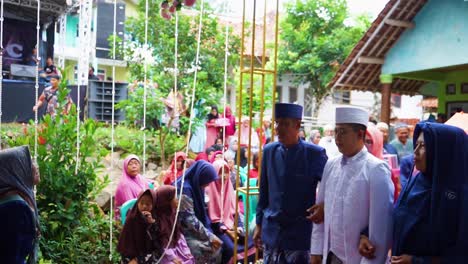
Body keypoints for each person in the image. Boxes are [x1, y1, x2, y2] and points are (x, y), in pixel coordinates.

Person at [359, 122, 468, 263]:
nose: (415, 152)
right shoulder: (417, 181)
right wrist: (366, 235)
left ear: (443, 151)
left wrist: (417, 261)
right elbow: (397, 214)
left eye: (423, 146)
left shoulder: (459, 196)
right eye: (416, 144)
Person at [310, 106, 394, 264]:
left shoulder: (376, 169)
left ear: (360, 134)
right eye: (336, 131)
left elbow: (381, 228)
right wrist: (316, 251)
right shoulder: (331, 164)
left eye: (343, 132)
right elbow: (320, 211)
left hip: (358, 258)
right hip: (331, 254)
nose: (337, 137)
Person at [254, 103, 328, 264]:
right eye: (277, 123)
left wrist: (325, 205)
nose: (279, 128)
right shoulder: (269, 151)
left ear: (297, 125)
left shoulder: (314, 154)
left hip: (299, 233)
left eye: (285, 124)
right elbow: (264, 192)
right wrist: (259, 224)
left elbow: (333, 185)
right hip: (271, 231)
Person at [206, 160, 256, 263]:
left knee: (251, 243)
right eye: (220, 172)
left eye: (226, 172)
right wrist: (228, 232)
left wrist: (239, 228)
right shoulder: (208, 190)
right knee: (231, 249)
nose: (224, 175)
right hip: (216, 230)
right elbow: (211, 220)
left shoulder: (229, 189)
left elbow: (235, 213)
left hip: (232, 226)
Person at [175, 160, 223, 263]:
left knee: (217, 244)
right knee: (210, 248)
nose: (207, 185)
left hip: (191, 228)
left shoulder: (195, 184)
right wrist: (210, 236)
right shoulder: (184, 189)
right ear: (201, 177)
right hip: (181, 231)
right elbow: (189, 220)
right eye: (207, 182)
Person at [0, 146, 40, 264]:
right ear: (15, 168)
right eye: (29, 161)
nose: (35, 165)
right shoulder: (16, 208)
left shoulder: (9, 198)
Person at [117, 189, 161, 264]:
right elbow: (126, 243)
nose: (144, 206)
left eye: (148, 204)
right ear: (137, 203)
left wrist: (151, 223)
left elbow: (156, 242)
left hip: (148, 253)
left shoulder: (155, 217)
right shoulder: (132, 218)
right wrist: (134, 259)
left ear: (153, 205)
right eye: (141, 203)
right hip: (131, 254)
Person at [154, 185, 194, 264]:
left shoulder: (172, 213)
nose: (177, 200)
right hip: (164, 252)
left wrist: (185, 250)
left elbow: (179, 235)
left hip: (176, 246)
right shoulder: (158, 220)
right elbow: (161, 243)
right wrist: (172, 257)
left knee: (189, 259)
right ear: (166, 201)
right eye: (173, 198)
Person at [114, 155, 152, 220]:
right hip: (128, 216)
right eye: (130, 164)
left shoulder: (139, 177)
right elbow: (130, 206)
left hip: (141, 209)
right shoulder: (125, 184)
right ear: (126, 167)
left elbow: (148, 182)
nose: (134, 166)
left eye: (136, 163)